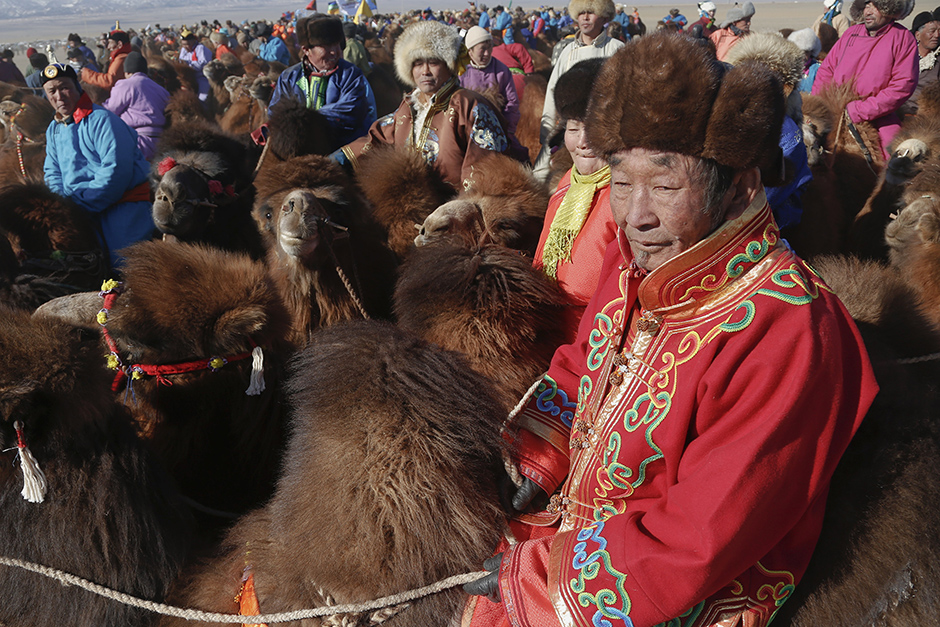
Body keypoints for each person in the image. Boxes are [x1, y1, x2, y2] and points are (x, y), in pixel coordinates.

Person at [462, 32, 878, 627]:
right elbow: (582, 363)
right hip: (581, 522)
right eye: (621, 183)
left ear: (738, 186)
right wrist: (531, 460)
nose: (636, 215)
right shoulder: (636, 261)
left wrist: (541, 582)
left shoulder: (786, 325)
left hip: (681, 579)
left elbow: (708, 529)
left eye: (663, 186)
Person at [336, 20, 512, 190]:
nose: (425, 71)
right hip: (410, 202)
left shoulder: (469, 106)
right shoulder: (410, 105)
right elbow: (378, 138)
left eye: (433, 63)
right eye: (418, 64)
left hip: (453, 209)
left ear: (449, 66)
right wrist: (337, 160)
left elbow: (487, 167)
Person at [534, 59, 618, 337]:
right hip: (551, 327)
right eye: (572, 128)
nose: (582, 141)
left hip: (595, 340)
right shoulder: (568, 182)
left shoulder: (627, 198)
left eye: (593, 128)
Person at [41, 64, 154, 268]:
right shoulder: (53, 129)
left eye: (64, 87)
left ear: (77, 87)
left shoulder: (102, 120)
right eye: (52, 91)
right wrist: (62, 206)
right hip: (76, 208)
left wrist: (82, 207)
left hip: (120, 205)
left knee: (122, 265)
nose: (59, 96)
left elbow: (116, 171)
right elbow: (52, 171)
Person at [812, 0, 917, 159]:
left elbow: (903, 85)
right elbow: (827, 70)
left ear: (889, 9)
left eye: (874, 6)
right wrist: (822, 102)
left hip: (877, 114)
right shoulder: (851, 33)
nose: (868, 12)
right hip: (834, 108)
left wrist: (861, 110)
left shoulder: (903, 38)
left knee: (895, 156)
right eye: (866, 5)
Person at [535, 0, 623, 180]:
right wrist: (547, 133)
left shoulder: (617, 50)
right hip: (569, 130)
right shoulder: (567, 53)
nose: (585, 17)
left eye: (591, 12)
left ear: (604, 16)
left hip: (604, 132)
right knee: (541, 175)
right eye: (581, 12)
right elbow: (553, 91)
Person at [268, 15, 377, 152]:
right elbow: (276, 112)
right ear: (306, 50)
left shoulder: (350, 74)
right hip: (301, 147)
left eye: (337, 44)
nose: (334, 51)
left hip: (343, 149)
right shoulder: (289, 77)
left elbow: (350, 111)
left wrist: (304, 118)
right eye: (326, 46)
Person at [102, 52, 171, 160]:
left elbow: (111, 110)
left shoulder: (125, 85)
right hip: (161, 142)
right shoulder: (161, 90)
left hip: (137, 140)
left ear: (127, 71)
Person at [460, 26, 520, 136]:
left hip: (498, 128)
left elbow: (512, 103)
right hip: (467, 129)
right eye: (482, 49)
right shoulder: (461, 72)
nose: (487, 53)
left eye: (489, 47)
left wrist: (508, 129)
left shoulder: (501, 70)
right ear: (470, 51)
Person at [81, 29, 131, 93]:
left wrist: (86, 74)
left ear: (119, 44)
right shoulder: (122, 57)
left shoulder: (121, 59)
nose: (108, 47)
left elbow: (109, 81)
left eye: (110, 43)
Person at [491, 32, 535, 100]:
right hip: (519, 77)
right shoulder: (502, 47)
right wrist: (528, 70)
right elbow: (519, 47)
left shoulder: (480, 56)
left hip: (499, 83)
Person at [911, 8, 940, 103]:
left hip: (927, 114)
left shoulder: (936, 61)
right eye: (932, 31)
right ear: (918, 35)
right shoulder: (905, 57)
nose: (937, 35)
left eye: (939, 31)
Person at [178, 31, 212, 101]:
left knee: (203, 97)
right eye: (183, 44)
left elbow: (203, 64)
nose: (185, 47)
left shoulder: (201, 48)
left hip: (200, 76)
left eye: (188, 44)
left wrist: (188, 65)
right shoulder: (183, 49)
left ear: (193, 41)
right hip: (187, 75)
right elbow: (181, 60)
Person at [788, 27, 822, 93]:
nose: (803, 55)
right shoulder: (790, 69)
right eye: (800, 51)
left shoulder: (818, 69)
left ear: (812, 51)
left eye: (806, 52)